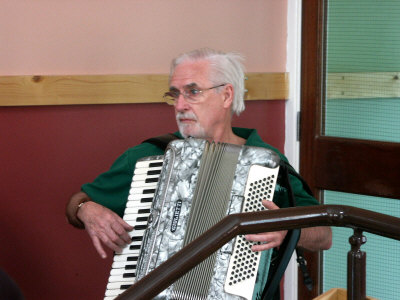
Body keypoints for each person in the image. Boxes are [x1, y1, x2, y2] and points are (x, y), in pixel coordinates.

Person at [66, 48, 332, 297]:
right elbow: (76, 202)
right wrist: (87, 210)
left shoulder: (266, 163)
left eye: (193, 92)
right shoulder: (148, 156)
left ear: (227, 95)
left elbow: (324, 234)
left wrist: (287, 230)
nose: (180, 105)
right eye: (175, 94)